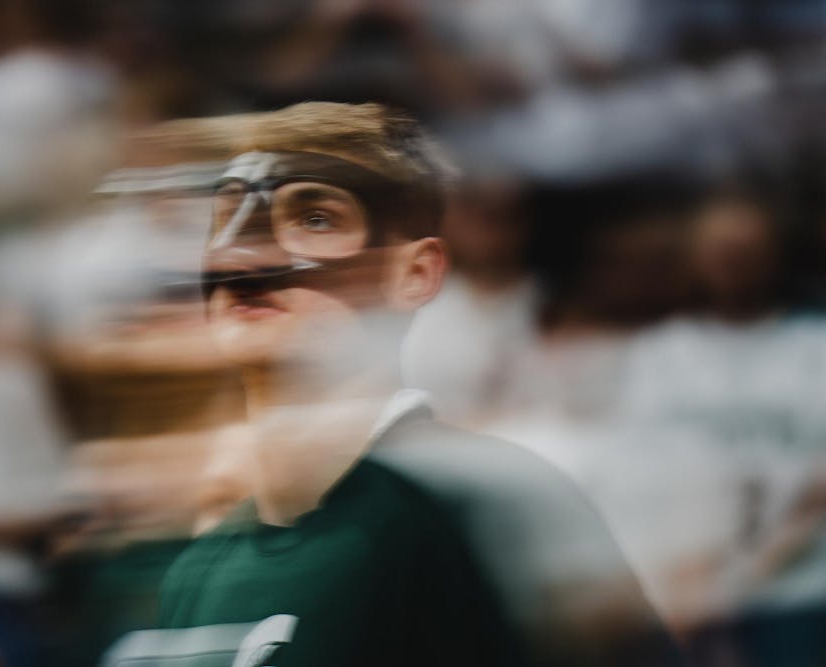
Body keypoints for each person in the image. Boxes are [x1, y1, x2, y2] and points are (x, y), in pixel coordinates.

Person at [62, 102, 682, 667]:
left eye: (313, 217)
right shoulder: (192, 562)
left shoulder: (486, 508)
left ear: (415, 273)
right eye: (229, 216)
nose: (243, 257)